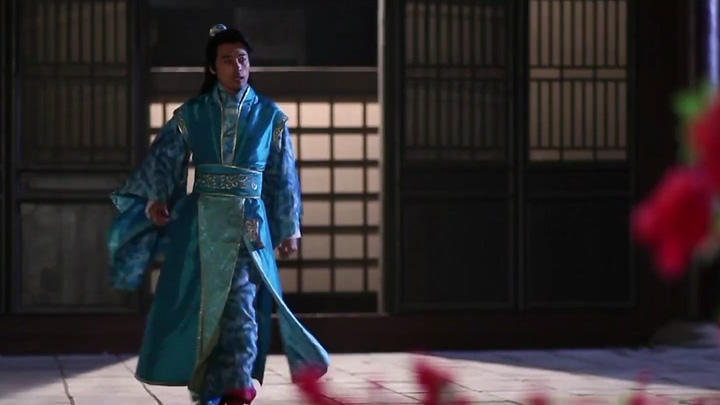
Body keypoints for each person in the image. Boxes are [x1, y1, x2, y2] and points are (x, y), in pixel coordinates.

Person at [107, 24, 329, 405]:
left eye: (242, 59)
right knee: (203, 306)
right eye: (227, 60)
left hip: (249, 225)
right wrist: (157, 197)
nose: (237, 67)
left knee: (241, 303)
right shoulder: (193, 113)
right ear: (212, 67)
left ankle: (238, 384)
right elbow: (167, 157)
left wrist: (289, 226)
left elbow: (283, 176)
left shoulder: (269, 117)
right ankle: (207, 384)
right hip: (202, 224)